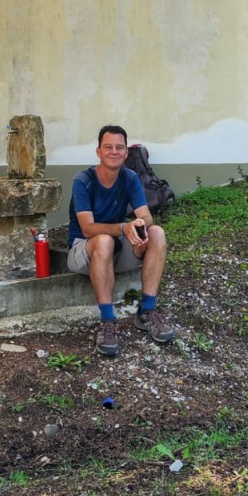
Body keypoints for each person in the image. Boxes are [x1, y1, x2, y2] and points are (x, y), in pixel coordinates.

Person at [66, 124, 174, 357]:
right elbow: (87, 229)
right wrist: (124, 227)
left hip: (115, 250)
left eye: (119, 147)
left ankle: (146, 311)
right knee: (103, 239)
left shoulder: (130, 177)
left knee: (157, 233)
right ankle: (107, 322)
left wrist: (139, 224)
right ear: (98, 152)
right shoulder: (83, 180)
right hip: (83, 252)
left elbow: (146, 215)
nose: (114, 152)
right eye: (108, 147)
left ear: (126, 153)